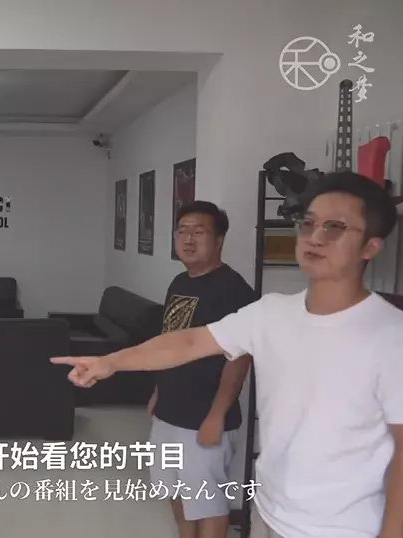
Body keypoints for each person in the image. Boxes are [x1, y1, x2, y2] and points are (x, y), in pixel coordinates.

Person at [53, 172, 403, 538]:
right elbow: (186, 343)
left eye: (335, 228)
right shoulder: (271, 312)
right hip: (269, 513)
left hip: (344, 528)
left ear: (370, 247)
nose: (314, 237)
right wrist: (109, 363)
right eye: (308, 223)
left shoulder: (400, 338)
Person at [148, 201, 257, 538]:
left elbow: (240, 358)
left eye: (198, 232)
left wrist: (216, 415)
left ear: (219, 239)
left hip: (205, 417)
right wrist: (158, 392)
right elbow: (170, 343)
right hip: (170, 411)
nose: (188, 239)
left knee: (207, 501)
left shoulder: (233, 289)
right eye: (182, 231)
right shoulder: (179, 282)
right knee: (172, 489)